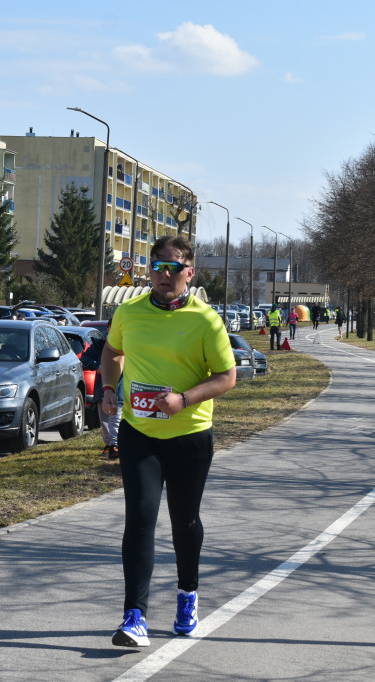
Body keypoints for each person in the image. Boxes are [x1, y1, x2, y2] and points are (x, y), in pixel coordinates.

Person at [99, 235, 237, 647]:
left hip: (189, 436)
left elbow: (226, 376)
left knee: (184, 521)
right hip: (140, 433)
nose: (164, 274)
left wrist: (185, 399)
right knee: (140, 518)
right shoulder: (130, 312)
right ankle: (134, 616)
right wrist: (109, 388)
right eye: (157, 266)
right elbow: (112, 352)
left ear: (189, 273)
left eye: (173, 267)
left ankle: (187, 594)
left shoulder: (205, 320)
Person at [81, 323, 122, 459]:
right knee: (104, 419)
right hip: (102, 389)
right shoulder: (100, 345)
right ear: (108, 329)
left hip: (121, 390)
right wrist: (97, 366)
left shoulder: (128, 344)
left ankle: (115, 445)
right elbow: (85, 358)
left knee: (116, 417)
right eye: (111, 328)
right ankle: (109, 445)